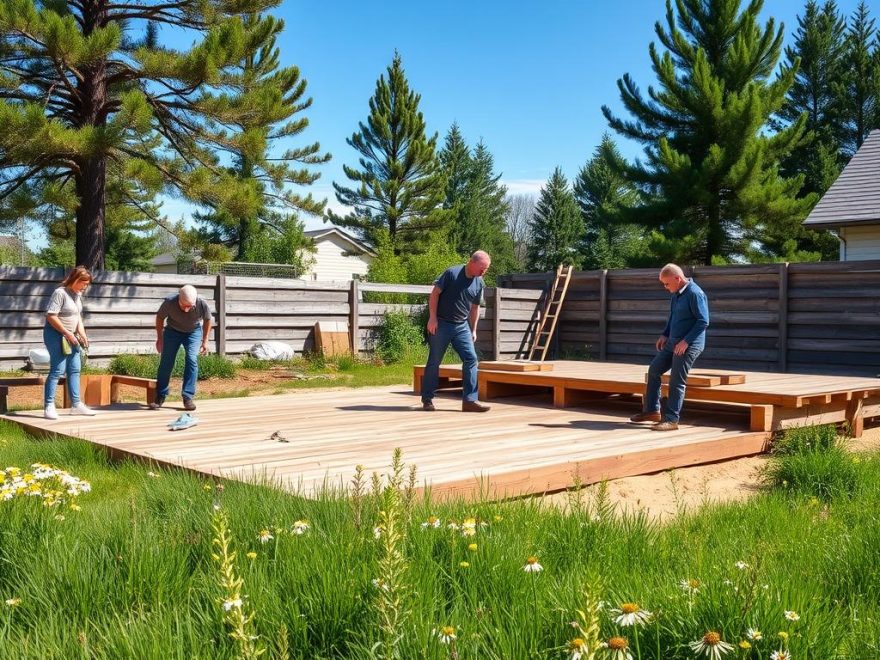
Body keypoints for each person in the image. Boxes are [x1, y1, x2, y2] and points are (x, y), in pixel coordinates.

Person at [630, 263, 709, 432]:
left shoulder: (695, 293)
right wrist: (665, 334)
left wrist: (686, 341)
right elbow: (673, 317)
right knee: (654, 370)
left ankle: (672, 420)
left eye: (666, 283)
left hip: (689, 345)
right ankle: (652, 411)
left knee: (676, 380)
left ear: (677, 278)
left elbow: (703, 321)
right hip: (672, 342)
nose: (665, 287)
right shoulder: (676, 294)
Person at [421, 251, 492, 413]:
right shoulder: (452, 273)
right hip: (442, 323)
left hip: (462, 326)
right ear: (472, 263)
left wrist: (473, 329)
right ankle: (427, 399)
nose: (484, 272)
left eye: (486, 269)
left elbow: (475, 307)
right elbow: (434, 295)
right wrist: (432, 318)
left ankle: (470, 401)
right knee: (434, 360)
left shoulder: (479, 282)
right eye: (482, 268)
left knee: (471, 359)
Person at [43, 266, 97, 419]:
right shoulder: (60, 293)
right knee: (57, 370)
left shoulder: (77, 294)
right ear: (75, 280)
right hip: (55, 334)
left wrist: (82, 334)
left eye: (87, 284)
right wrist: (66, 333)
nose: (85, 287)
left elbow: (77, 316)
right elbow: (51, 316)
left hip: (71, 336)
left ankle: (76, 405)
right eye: (83, 283)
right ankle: (49, 406)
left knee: (74, 369)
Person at [150, 285, 212, 411]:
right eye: (184, 305)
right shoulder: (169, 302)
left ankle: (188, 397)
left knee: (192, 359)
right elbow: (160, 318)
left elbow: (208, 320)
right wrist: (160, 338)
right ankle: (160, 395)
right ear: (179, 297)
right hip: (172, 332)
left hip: (193, 332)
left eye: (190, 306)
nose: (186, 310)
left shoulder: (201, 303)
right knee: (166, 362)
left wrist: (205, 341)